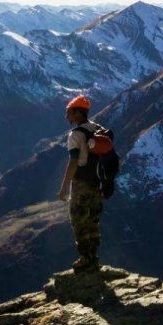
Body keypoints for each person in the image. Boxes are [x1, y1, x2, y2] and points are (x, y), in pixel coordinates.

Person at [57, 94, 102, 273]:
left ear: (77, 113)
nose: (67, 117)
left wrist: (63, 189)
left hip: (82, 182)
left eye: (69, 113)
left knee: (78, 219)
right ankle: (93, 256)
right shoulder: (99, 129)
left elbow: (73, 162)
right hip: (97, 182)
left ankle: (85, 258)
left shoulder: (75, 135)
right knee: (92, 220)